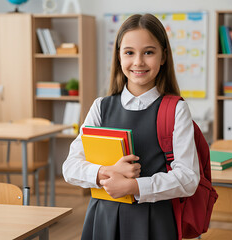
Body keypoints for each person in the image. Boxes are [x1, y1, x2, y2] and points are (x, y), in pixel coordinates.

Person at [62, 13, 199, 240]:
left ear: (163, 56)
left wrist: (134, 187)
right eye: (129, 53)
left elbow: (188, 179)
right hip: (102, 219)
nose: (138, 62)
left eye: (148, 52)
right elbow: (70, 168)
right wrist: (105, 172)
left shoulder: (175, 109)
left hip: (154, 222)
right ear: (118, 57)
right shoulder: (101, 107)